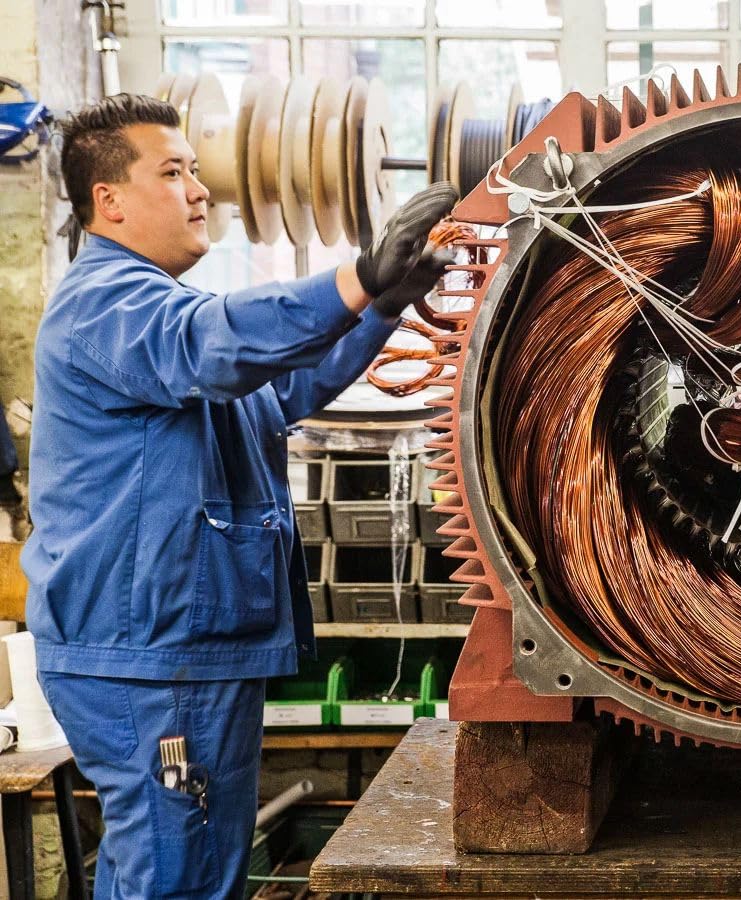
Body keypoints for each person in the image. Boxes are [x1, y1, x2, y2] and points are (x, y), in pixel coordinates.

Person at [23, 93, 458, 896]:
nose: (200, 191)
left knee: (186, 868)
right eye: (174, 172)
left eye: (196, 170)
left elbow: (284, 384)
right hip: (148, 657)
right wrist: (358, 276)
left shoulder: (161, 311)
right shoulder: (107, 308)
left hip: (185, 647)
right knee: (177, 875)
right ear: (107, 200)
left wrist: (386, 302)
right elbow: (216, 345)